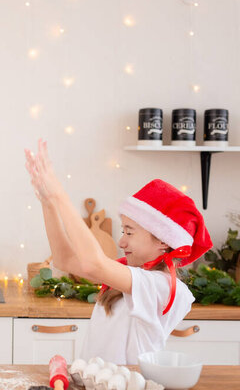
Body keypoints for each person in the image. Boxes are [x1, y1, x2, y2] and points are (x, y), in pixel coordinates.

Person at [24, 139, 212, 364]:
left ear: (163, 241)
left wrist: (59, 195)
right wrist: (48, 203)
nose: (121, 242)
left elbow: (92, 263)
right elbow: (64, 259)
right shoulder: (127, 275)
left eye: (129, 232)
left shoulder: (162, 286)